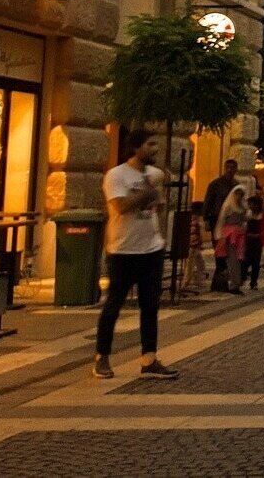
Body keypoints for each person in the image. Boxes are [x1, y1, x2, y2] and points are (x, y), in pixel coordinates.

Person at [93, 130, 178, 380]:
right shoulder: (116, 175)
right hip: (123, 250)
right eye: (150, 144)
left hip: (151, 249)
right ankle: (102, 357)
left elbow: (158, 208)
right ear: (135, 147)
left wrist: (160, 235)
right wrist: (147, 193)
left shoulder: (154, 174)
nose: (155, 149)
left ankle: (149, 359)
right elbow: (119, 206)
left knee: (150, 305)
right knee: (114, 305)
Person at [202, 159, 237, 292]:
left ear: (235, 169)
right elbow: (208, 201)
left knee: (228, 251)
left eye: (232, 167)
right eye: (228, 167)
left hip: (230, 221)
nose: (229, 170)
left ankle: (220, 282)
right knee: (220, 251)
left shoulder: (236, 185)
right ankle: (219, 283)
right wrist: (206, 219)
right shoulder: (216, 184)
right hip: (217, 220)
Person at [214, 185, 248, 294]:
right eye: (238, 194)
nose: (239, 197)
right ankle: (233, 284)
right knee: (232, 260)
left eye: (241, 195)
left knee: (239, 260)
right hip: (230, 236)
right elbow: (221, 221)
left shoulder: (242, 206)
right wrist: (220, 236)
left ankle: (236, 282)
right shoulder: (228, 206)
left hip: (240, 236)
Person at [180, 201, 208, 295]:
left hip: (192, 246)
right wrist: (200, 243)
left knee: (199, 263)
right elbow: (197, 234)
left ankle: (199, 280)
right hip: (194, 246)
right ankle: (186, 283)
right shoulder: (196, 222)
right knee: (191, 265)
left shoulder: (190, 220)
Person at [244, 194, 264, 290]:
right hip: (248, 240)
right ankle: (243, 277)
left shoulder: (263, 216)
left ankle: (253, 282)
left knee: (256, 261)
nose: (250, 206)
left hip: (257, 241)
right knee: (246, 260)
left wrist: (258, 235)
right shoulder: (248, 214)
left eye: (251, 204)